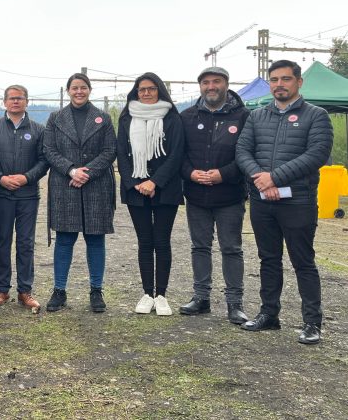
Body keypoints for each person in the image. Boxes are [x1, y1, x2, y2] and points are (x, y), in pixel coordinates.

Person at [236, 60, 333, 344]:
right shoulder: (257, 116)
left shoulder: (317, 116)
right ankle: (269, 315)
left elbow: (316, 155)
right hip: (262, 200)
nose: (279, 84)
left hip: (298, 201)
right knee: (268, 259)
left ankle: (312, 323)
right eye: (274, 79)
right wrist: (260, 179)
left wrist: (275, 178)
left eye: (286, 79)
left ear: (299, 82)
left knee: (303, 262)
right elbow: (242, 150)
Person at [179, 66, 250, 324]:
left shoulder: (243, 116)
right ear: (200, 86)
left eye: (216, 82)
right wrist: (190, 173)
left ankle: (235, 303)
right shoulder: (186, 116)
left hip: (229, 195)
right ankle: (201, 298)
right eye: (206, 82)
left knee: (231, 248)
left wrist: (224, 174)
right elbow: (180, 155)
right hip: (196, 195)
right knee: (199, 247)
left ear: (226, 84)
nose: (211, 86)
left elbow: (246, 155)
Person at [43, 73, 117, 314]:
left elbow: (110, 150)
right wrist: (71, 170)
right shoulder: (55, 118)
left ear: (89, 90)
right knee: (64, 239)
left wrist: (88, 172)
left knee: (95, 239)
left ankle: (96, 290)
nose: (79, 92)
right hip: (65, 184)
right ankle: (59, 290)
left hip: (96, 185)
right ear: (68, 91)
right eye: (74, 88)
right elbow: (49, 150)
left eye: (83, 88)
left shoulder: (103, 118)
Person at [117, 73, 184, 316]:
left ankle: (162, 294)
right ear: (135, 92)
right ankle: (147, 293)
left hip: (166, 188)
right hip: (136, 190)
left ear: (159, 91)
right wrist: (135, 182)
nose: (146, 93)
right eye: (141, 89)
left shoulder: (172, 118)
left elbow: (177, 154)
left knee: (162, 241)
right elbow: (121, 153)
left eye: (151, 89)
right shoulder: (126, 119)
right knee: (145, 242)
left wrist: (155, 181)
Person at [0, 85, 48, 313]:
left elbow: (43, 161)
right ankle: (2, 290)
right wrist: (0, 179)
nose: (15, 102)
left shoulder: (39, 130)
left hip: (28, 195)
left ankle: (25, 291)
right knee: (2, 242)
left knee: (26, 243)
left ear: (27, 102)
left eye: (20, 98)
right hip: (1, 194)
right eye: (11, 98)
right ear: (4, 102)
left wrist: (25, 177)